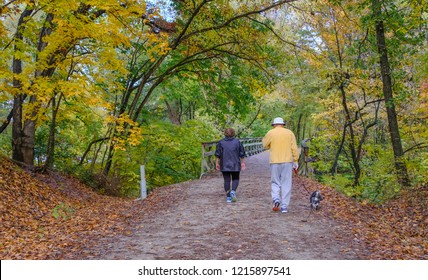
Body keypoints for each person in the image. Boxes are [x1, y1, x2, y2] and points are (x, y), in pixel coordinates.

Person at [262, 117, 299, 213]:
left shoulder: (270, 133)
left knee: (275, 182)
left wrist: (271, 145)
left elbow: (265, 145)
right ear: (283, 124)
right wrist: (295, 160)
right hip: (287, 161)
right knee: (286, 183)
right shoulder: (289, 133)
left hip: (274, 161)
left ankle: (276, 199)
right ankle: (284, 206)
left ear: (274, 124)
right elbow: (294, 148)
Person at [215, 128, 246, 203]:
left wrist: (217, 163)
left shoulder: (221, 142)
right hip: (235, 163)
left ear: (225, 133)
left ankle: (228, 197)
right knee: (236, 178)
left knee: (226, 180)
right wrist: (242, 162)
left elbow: (217, 154)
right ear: (233, 133)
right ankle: (233, 191)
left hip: (224, 164)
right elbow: (241, 153)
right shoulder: (237, 142)